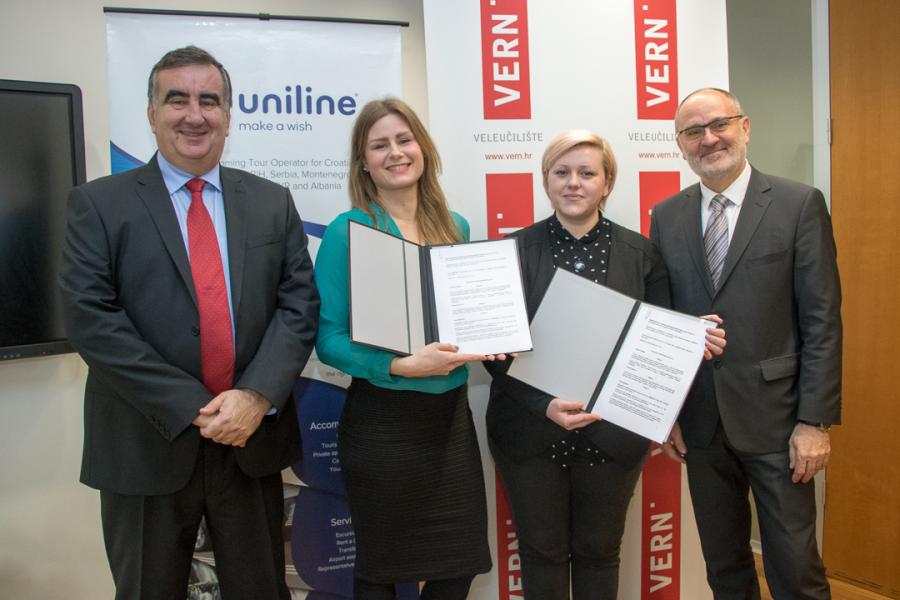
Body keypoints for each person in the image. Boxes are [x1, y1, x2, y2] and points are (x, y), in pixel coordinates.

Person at [58, 46, 319, 600]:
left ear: (228, 114)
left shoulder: (271, 202)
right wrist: (193, 406)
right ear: (152, 113)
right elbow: (91, 319)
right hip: (144, 443)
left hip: (250, 441)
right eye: (177, 100)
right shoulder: (99, 204)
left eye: (209, 101)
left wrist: (254, 397)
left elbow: (299, 306)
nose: (194, 115)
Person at [484, 130, 725, 600]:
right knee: (541, 552)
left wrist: (686, 338)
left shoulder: (642, 254)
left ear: (607, 183)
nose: (574, 183)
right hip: (528, 431)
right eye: (561, 172)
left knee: (599, 552)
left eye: (587, 173)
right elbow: (495, 355)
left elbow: (656, 340)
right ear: (546, 181)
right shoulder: (510, 252)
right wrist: (544, 405)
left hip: (613, 435)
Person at [650, 88, 842, 599]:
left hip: (780, 422)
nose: (709, 139)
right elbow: (663, 321)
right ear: (680, 144)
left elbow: (822, 319)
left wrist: (814, 422)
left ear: (745, 127)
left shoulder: (798, 204)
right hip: (701, 424)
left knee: (796, 568)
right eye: (693, 131)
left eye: (719, 124)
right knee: (725, 566)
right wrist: (667, 413)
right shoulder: (666, 216)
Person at [315, 98, 494, 599]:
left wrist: (492, 335)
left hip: (449, 423)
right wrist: (399, 365)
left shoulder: (455, 227)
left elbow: (462, 318)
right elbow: (328, 339)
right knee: (381, 571)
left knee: (457, 568)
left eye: (403, 139)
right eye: (380, 145)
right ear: (363, 162)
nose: (395, 152)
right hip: (382, 425)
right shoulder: (347, 231)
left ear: (423, 147)